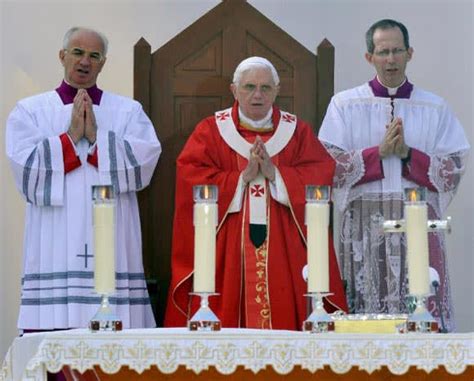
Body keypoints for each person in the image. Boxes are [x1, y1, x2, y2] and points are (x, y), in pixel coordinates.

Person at [164, 56, 347, 330]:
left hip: (283, 247)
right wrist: (241, 178)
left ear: (277, 90)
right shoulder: (211, 131)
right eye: (249, 87)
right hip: (227, 247)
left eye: (265, 87)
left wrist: (276, 174)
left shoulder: (296, 131)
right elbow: (191, 176)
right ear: (234, 90)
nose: (257, 95)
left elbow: (320, 173)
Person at [6, 27, 161, 331]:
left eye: (94, 56)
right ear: (62, 56)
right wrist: (71, 138)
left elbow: (144, 163)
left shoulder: (128, 111)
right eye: (77, 53)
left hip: (113, 236)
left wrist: (97, 138)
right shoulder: (31, 111)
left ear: (103, 63)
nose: (84, 62)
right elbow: (25, 171)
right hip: (54, 237)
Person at [318, 19, 470, 331]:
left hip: (417, 223)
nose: (390, 59)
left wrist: (409, 156)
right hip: (363, 226)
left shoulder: (434, 107)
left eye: (397, 51)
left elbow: (453, 167)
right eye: (383, 51)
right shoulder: (344, 105)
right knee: (366, 314)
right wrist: (377, 154)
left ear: (410, 53)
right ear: (369, 57)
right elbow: (326, 165)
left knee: (421, 310)